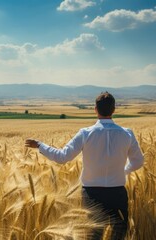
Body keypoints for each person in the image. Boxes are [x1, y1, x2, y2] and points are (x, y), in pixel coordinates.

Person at [25, 92, 144, 240]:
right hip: (117, 193)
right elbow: (138, 161)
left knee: (93, 236)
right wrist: (123, 171)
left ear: (95, 109)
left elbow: (62, 157)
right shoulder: (127, 134)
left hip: (91, 195)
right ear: (114, 110)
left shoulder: (85, 134)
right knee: (118, 235)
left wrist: (40, 145)